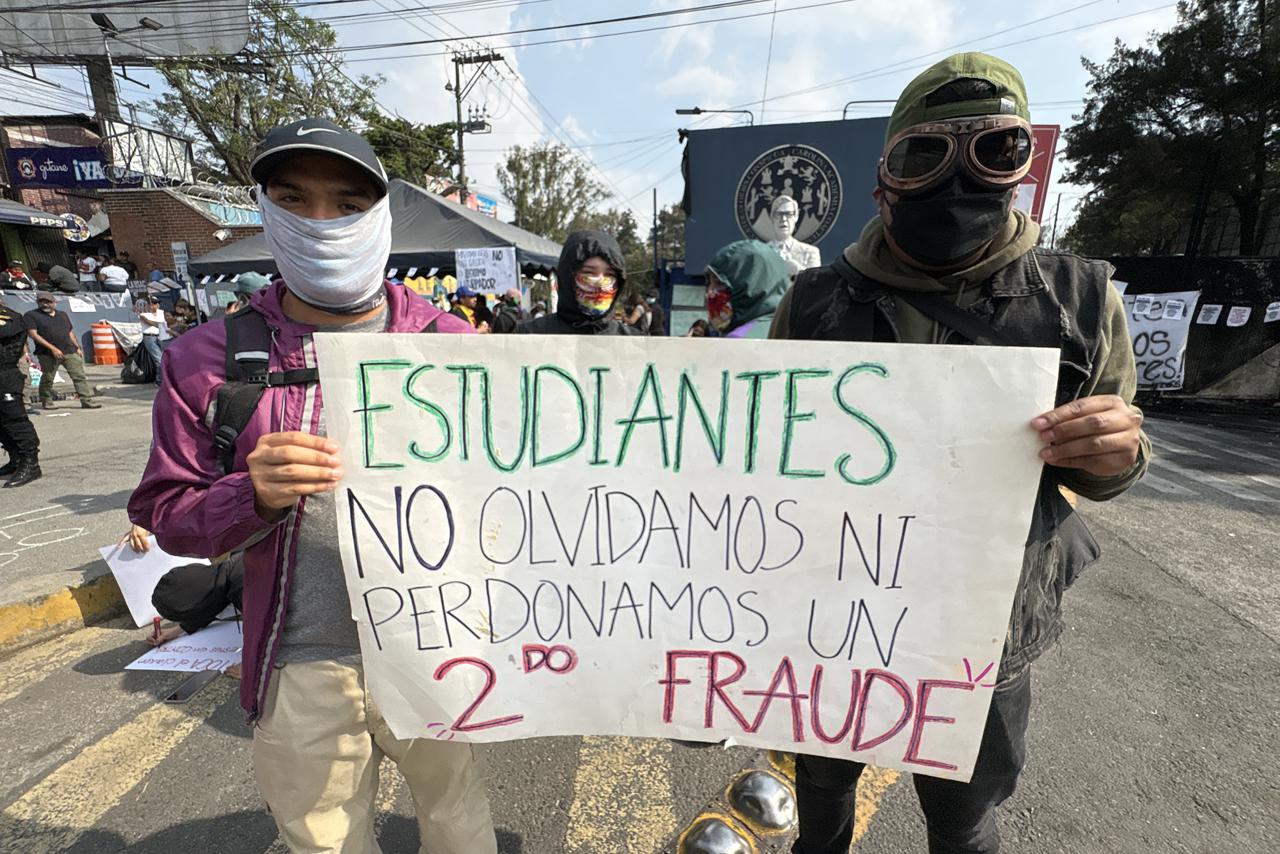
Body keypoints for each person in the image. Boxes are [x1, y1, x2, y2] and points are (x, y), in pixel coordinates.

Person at [771, 53, 1150, 854]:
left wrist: (1115, 454)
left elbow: (1104, 469)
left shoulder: (1081, 300)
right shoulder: (813, 301)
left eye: (996, 149)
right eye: (924, 155)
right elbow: (759, 461)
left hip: (989, 625)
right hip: (835, 618)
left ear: (1023, 168)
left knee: (965, 823)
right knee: (823, 801)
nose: (957, 181)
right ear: (886, 179)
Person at [127, 117, 496, 854]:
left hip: (436, 649)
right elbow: (164, 512)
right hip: (301, 660)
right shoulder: (204, 358)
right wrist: (250, 495)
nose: (320, 222)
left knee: (459, 826)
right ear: (263, 207)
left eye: (346, 202)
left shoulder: (452, 347)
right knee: (323, 844)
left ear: (380, 213)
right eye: (294, 199)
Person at [517, 231, 636, 335]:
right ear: (568, 277)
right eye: (589, 272)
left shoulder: (634, 342)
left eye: (609, 274)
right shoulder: (531, 334)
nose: (600, 281)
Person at [24, 293, 101, 410]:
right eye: (42, 301)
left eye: (48, 302)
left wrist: (77, 347)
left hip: (69, 350)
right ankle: (47, 400)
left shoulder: (62, 315)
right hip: (47, 353)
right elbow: (33, 334)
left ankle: (86, 400)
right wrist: (53, 348)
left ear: (55, 302)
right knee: (48, 378)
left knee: (79, 376)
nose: (45, 304)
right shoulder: (31, 315)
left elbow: (70, 332)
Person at [705, 240, 791, 339]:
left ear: (751, 285)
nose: (710, 291)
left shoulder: (738, 340)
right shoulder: (793, 328)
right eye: (708, 283)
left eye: (720, 283)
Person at [0, 300, 40, 487]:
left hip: (5, 375)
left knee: (15, 420)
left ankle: (31, 463)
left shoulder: (9, 316)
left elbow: (5, 332)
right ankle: (15, 459)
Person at [767, 195, 822, 277]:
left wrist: (795, 268)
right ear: (772, 217)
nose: (783, 219)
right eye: (779, 214)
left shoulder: (810, 252)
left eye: (788, 214)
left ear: (796, 217)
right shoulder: (762, 252)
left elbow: (815, 282)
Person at [137, 295, 168, 381]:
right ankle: (160, 380)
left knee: (164, 358)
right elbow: (148, 322)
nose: (156, 305)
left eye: (157, 303)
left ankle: (163, 378)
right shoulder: (143, 313)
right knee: (158, 359)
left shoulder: (161, 312)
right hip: (149, 337)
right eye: (153, 303)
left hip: (161, 336)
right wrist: (161, 325)